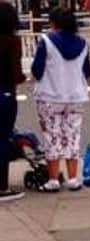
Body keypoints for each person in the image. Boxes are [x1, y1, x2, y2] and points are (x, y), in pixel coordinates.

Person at [32, 7, 90, 192]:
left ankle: (53, 179)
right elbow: (87, 72)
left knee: (52, 136)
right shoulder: (83, 43)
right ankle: (73, 178)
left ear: (54, 23)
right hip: (75, 96)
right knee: (72, 136)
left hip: (50, 96)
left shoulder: (46, 41)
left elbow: (37, 70)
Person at [0, 2, 27, 202]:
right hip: (4, 94)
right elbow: (16, 74)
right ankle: (1, 187)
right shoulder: (12, 41)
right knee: (2, 138)